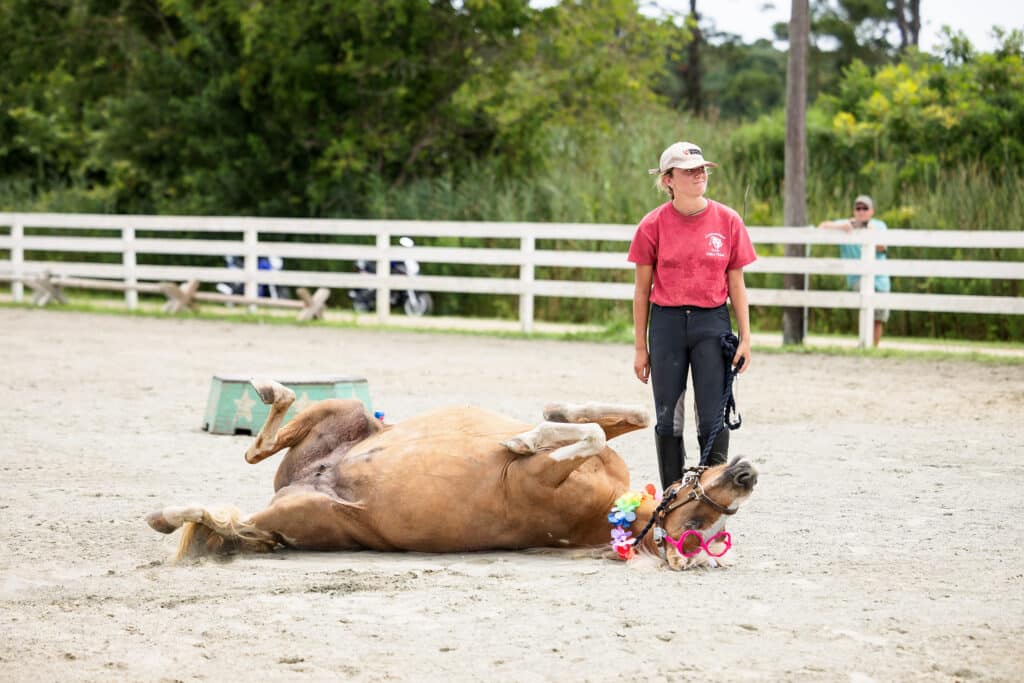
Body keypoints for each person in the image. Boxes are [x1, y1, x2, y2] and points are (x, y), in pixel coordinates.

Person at [628, 141, 756, 491]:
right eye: (688, 171)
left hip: (712, 323)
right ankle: (672, 496)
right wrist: (641, 347)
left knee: (712, 415)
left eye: (701, 169)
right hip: (667, 324)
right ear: (668, 179)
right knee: (669, 416)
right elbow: (641, 291)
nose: (699, 175)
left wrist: (745, 337)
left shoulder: (728, 220)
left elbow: (737, 282)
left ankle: (713, 494)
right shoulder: (652, 225)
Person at [817, 194, 890, 347]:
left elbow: (883, 247)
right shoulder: (846, 224)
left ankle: (873, 347)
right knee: (865, 309)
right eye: (858, 208)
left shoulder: (879, 225)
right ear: (854, 211)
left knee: (878, 317)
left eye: (865, 208)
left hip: (880, 279)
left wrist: (869, 234)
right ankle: (864, 342)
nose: (861, 211)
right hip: (857, 278)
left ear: (872, 211)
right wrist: (842, 227)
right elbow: (821, 226)